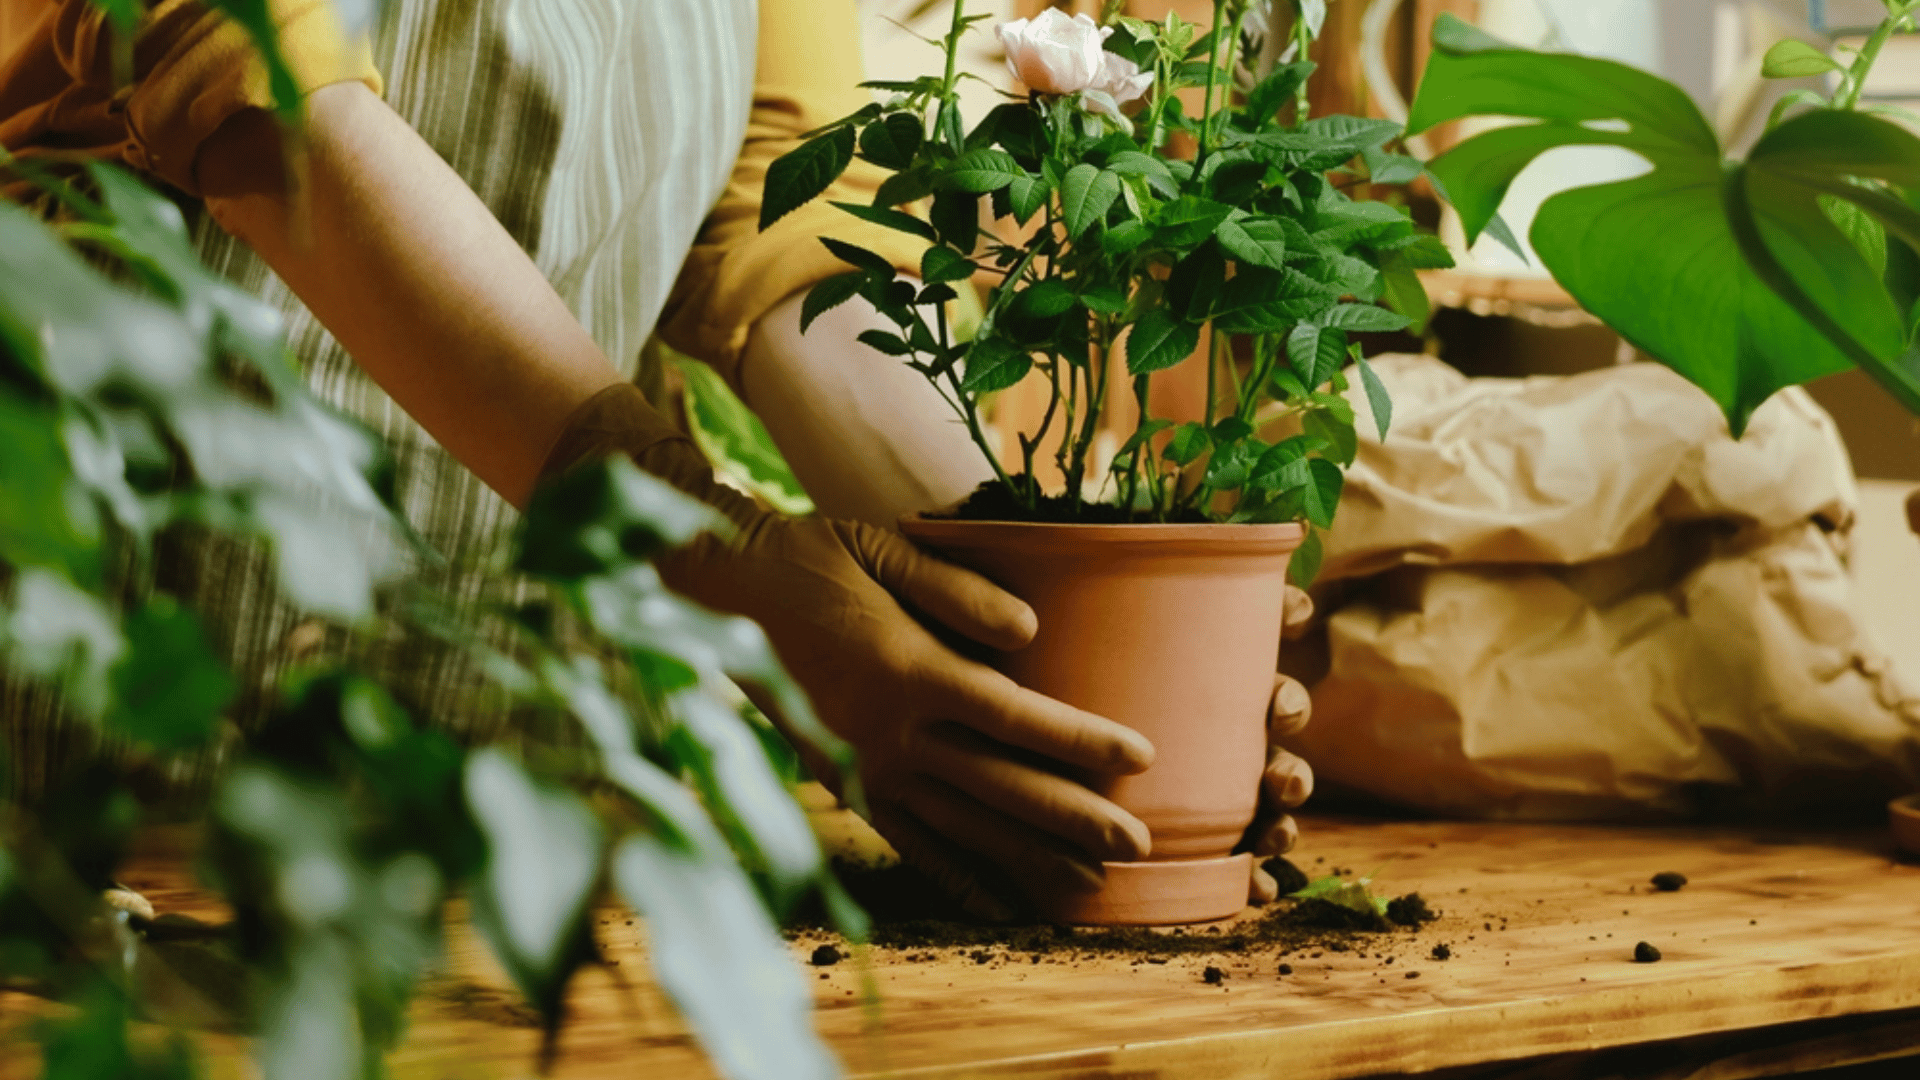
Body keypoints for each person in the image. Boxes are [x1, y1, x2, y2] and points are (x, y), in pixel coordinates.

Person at [0, 0, 1318, 915]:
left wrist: (1046, 635)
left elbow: (780, 245)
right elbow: (262, 104)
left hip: (485, 792)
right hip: (104, 762)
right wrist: (722, 547)